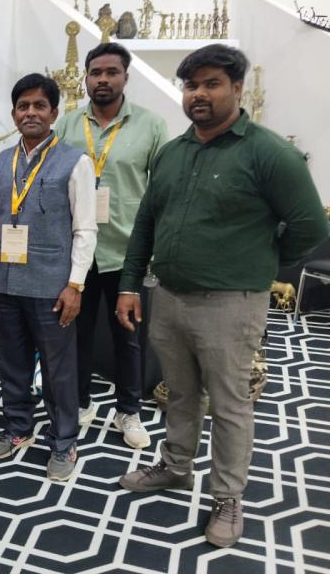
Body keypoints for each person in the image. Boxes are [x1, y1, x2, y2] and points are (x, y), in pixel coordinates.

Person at [116, 44, 328, 547]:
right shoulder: (173, 152)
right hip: (170, 297)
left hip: (231, 304)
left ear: (237, 88)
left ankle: (228, 497)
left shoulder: (269, 153)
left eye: (212, 84)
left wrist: (258, 263)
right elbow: (146, 223)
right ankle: (175, 466)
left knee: (230, 404)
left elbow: (310, 226)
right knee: (180, 393)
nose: (199, 94)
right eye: (191, 85)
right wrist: (129, 284)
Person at [0, 73, 97, 481]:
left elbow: (85, 229)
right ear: (14, 114)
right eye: (23, 106)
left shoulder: (76, 162)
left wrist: (75, 285)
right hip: (8, 282)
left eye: (39, 105)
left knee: (58, 369)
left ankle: (63, 441)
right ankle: (17, 426)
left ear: (53, 112)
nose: (30, 112)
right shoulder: (3, 161)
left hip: (52, 286)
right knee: (12, 361)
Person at [54, 42, 168, 449]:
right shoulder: (67, 126)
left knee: (128, 337)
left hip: (126, 253)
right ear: (86, 78)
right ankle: (81, 401)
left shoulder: (151, 126)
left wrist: (153, 251)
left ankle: (129, 410)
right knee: (76, 334)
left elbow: (161, 193)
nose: (102, 79)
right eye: (95, 72)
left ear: (125, 77)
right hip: (77, 254)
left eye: (111, 72)